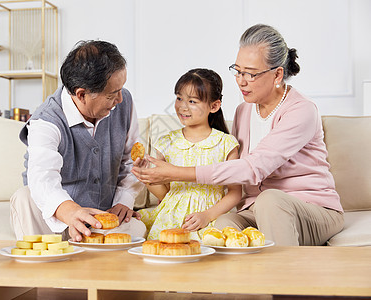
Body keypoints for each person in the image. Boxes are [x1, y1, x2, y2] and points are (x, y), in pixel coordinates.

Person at [132, 24, 344, 246]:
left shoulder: (301, 110)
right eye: (238, 71)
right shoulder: (244, 110)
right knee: (223, 226)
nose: (241, 81)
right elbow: (233, 176)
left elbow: (253, 168)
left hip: (312, 209)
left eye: (250, 74)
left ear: (277, 74)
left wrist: (176, 172)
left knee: (270, 200)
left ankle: (282, 277)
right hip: (256, 209)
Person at [10, 40, 146, 242]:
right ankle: (46, 260)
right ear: (82, 94)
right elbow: (41, 177)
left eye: (121, 89)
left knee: (136, 228)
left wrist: (124, 199)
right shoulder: (46, 121)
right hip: (55, 217)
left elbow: (131, 160)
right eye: (112, 94)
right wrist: (70, 212)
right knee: (24, 197)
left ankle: (89, 249)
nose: (120, 99)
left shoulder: (124, 102)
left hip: (99, 218)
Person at [135, 69, 242, 241]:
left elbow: (235, 193)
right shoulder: (166, 142)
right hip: (171, 218)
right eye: (179, 98)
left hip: (210, 217)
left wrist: (207, 215)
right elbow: (165, 194)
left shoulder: (226, 144)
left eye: (192, 101)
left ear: (214, 106)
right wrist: (146, 176)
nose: (183, 107)